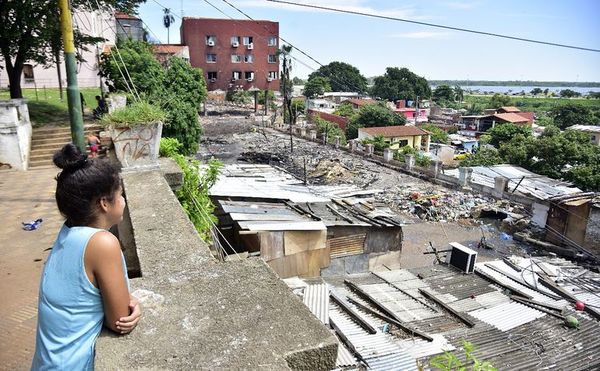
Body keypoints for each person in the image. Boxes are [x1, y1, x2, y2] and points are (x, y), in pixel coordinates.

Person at [32, 144, 141, 370]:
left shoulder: (67, 232)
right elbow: (119, 321)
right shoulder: (102, 243)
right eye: (120, 195)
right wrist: (133, 305)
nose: (124, 201)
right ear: (104, 203)